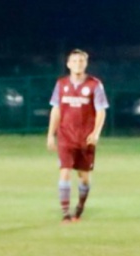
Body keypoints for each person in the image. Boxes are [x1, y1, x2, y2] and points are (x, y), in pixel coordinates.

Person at [46, 49, 109, 223]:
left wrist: (95, 133)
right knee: (64, 172)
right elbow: (56, 110)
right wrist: (51, 134)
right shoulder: (61, 84)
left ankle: (79, 207)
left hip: (85, 138)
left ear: (86, 64)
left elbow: (101, 111)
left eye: (81, 61)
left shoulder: (94, 85)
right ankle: (65, 213)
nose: (78, 64)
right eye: (74, 61)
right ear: (68, 64)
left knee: (84, 177)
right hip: (65, 136)